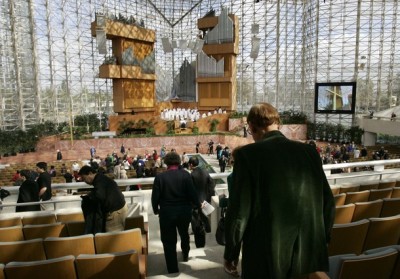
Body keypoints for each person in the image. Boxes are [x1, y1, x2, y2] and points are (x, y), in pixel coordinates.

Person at [223, 103, 335, 278]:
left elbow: (239, 213)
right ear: (278, 124)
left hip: (266, 257)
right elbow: (328, 202)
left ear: (252, 127)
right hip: (306, 252)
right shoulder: (309, 152)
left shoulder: (248, 155)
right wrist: (321, 242)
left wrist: (231, 253)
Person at [151, 152, 201, 274]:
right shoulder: (186, 175)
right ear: (178, 162)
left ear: (166, 162)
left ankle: (172, 269)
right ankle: (185, 253)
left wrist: (156, 209)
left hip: (167, 213)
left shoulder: (160, 178)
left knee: (168, 241)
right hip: (184, 212)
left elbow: (155, 197)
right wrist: (197, 205)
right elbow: (193, 194)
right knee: (184, 234)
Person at [78, 165, 128, 232]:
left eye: (84, 179)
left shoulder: (99, 181)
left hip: (115, 213)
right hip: (120, 209)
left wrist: (91, 196)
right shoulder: (101, 178)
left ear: (90, 173)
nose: (85, 181)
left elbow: (100, 196)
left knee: (110, 237)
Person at [188, 156, 216, 238]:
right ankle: (208, 231)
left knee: (195, 217)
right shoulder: (205, 171)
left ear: (191, 164)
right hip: (205, 199)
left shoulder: (192, 175)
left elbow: (191, 191)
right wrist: (208, 196)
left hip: (196, 201)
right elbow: (212, 184)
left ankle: (196, 232)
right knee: (204, 216)